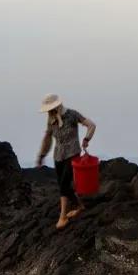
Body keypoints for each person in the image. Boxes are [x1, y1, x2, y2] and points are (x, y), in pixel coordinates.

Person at [36, 94, 96, 229]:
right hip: (58, 156)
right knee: (63, 185)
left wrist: (87, 139)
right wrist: (42, 155)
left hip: (72, 153)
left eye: (51, 109)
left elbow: (91, 125)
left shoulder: (72, 115)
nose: (49, 112)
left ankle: (62, 217)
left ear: (57, 106)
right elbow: (47, 138)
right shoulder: (51, 120)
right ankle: (79, 205)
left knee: (64, 183)